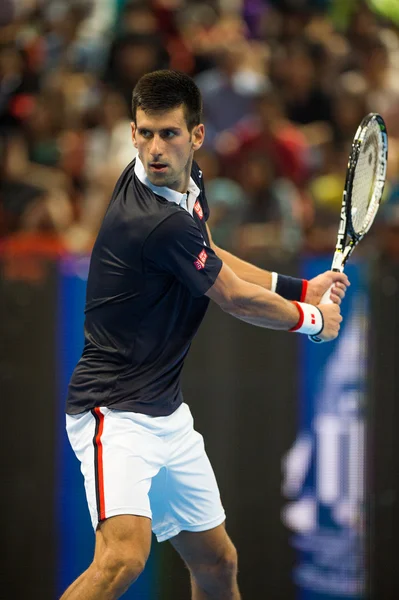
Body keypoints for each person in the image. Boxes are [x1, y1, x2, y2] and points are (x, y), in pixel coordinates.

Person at [61, 70, 348, 600]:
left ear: (196, 136)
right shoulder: (152, 219)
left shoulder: (186, 189)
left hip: (166, 415)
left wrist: (302, 287)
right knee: (122, 558)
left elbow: (213, 259)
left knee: (217, 562)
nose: (153, 149)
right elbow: (234, 297)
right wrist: (314, 320)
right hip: (113, 412)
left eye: (168, 133)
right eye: (144, 133)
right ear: (131, 131)